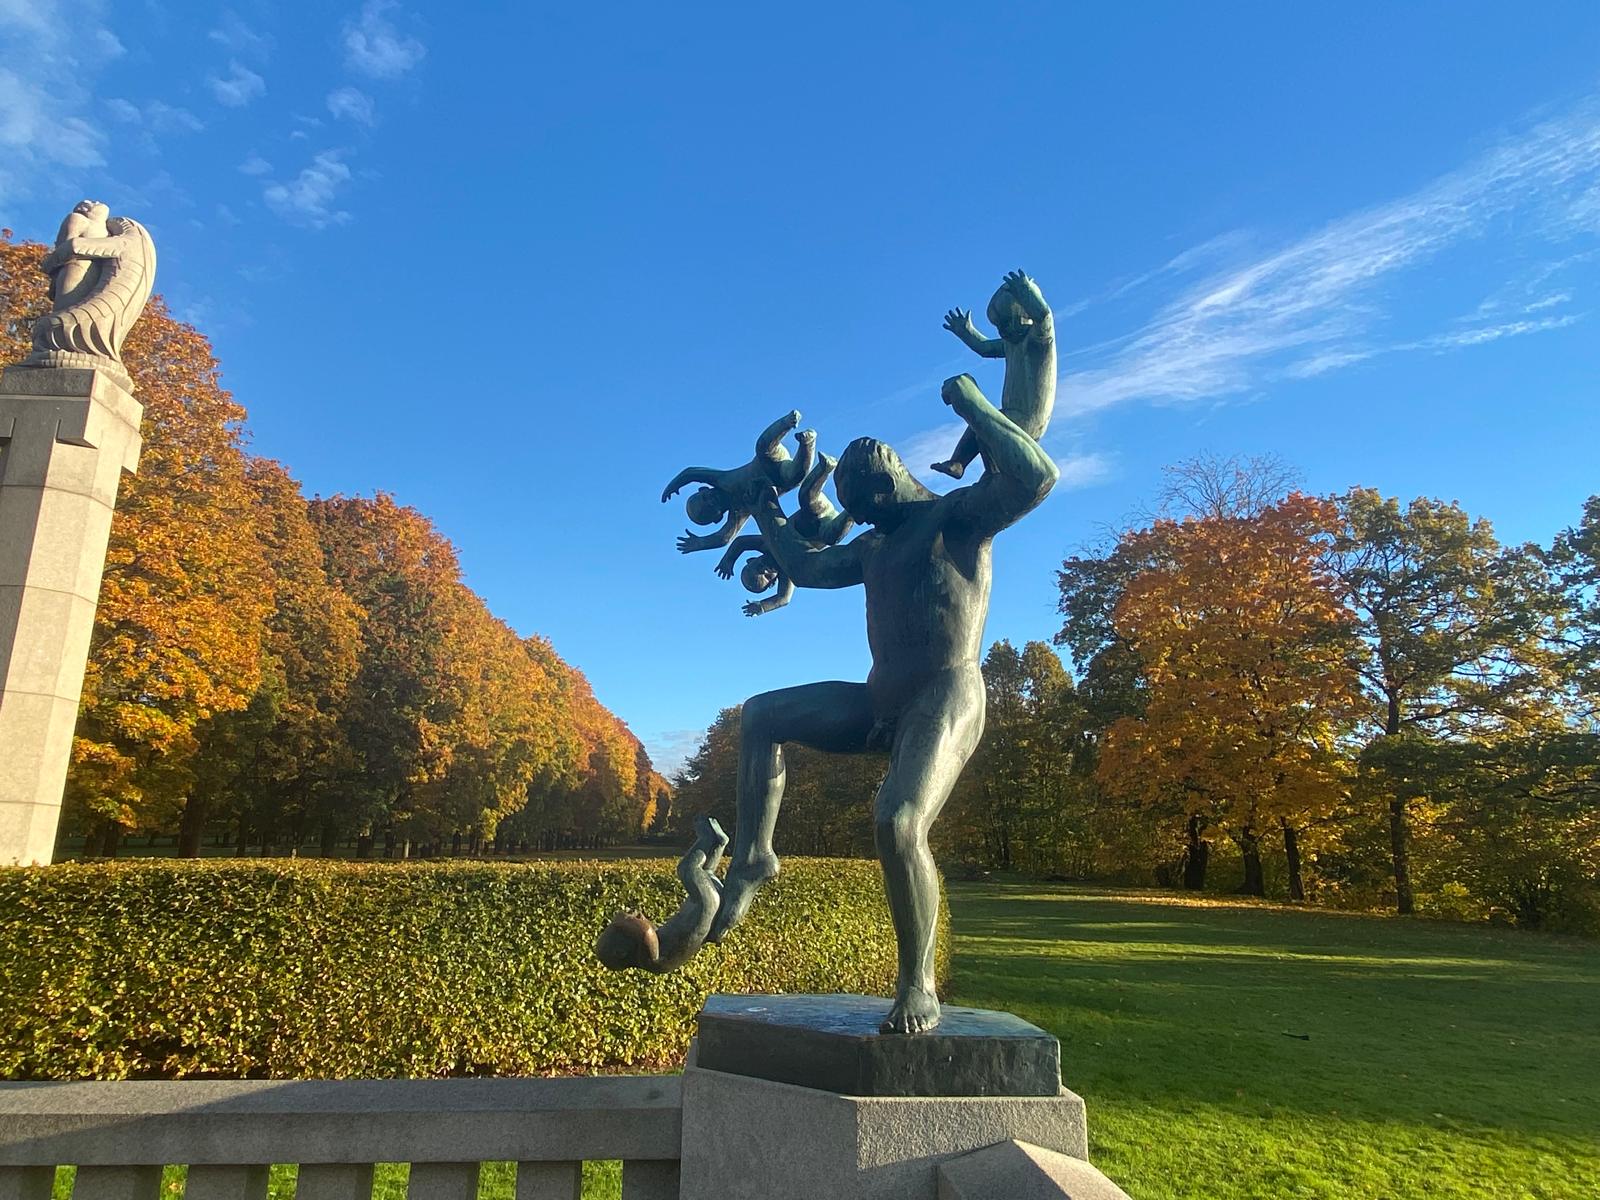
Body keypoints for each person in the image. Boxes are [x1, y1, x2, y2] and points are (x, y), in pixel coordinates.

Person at [706, 372, 1058, 1033]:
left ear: (886, 484)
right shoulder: (872, 545)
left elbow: (1036, 477)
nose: (860, 524)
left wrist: (974, 405)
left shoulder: (958, 518)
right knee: (762, 715)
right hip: (879, 700)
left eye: (864, 509)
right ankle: (755, 854)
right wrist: (765, 506)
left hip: (945, 694)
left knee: (897, 822)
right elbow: (808, 570)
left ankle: (917, 984)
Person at [930, 269, 1056, 480]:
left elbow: (1044, 316)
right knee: (980, 424)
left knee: (985, 424)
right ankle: (959, 462)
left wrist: (1026, 292)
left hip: (1029, 419)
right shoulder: (1011, 345)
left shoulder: (1038, 340)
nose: (1003, 331)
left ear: (1025, 316)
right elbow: (984, 348)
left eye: (1007, 323)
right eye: (999, 326)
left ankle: (993, 473)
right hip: (1010, 412)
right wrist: (966, 331)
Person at [662, 410, 814, 554]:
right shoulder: (739, 511)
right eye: (711, 507)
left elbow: (691, 473)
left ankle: (788, 421)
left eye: (705, 497)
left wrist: (674, 485)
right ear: (718, 518)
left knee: (762, 446)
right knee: (796, 476)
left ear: (704, 489)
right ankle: (807, 442)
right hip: (781, 478)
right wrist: (701, 543)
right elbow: (724, 538)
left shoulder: (721, 480)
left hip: (768, 459)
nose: (711, 500)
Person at [595, 816, 728, 973]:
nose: (639, 916)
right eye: (630, 927)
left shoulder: (656, 950)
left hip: (704, 907)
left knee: (706, 872)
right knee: (687, 869)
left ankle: (719, 843)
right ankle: (707, 838)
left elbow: (646, 931)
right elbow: (646, 932)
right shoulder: (653, 961)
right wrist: (622, 920)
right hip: (704, 906)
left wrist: (626, 921)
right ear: (622, 952)